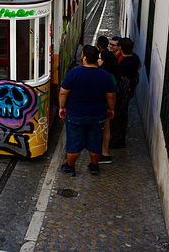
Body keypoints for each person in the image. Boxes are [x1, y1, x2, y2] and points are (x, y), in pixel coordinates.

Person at [58, 45, 116, 176]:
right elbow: (111, 96)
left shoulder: (74, 73)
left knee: (74, 141)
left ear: (84, 58)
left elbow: (63, 92)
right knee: (95, 141)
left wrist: (62, 107)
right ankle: (94, 166)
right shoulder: (106, 76)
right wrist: (111, 109)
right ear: (96, 59)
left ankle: (70, 167)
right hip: (98, 114)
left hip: (75, 115)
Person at [110, 37, 142, 149]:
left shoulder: (123, 63)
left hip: (122, 93)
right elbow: (139, 66)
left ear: (121, 48)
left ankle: (117, 140)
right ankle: (121, 137)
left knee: (117, 115)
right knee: (123, 114)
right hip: (129, 90)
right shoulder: (135, 57)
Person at [98, 51, 120, 164]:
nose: (98, 60)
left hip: (104, 107)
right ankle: (104, 153)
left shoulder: (107, 76)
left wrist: (111, 108)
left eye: (100, 59)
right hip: (107, 107)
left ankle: (104, 153)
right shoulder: (113, 75)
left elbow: (111, 95)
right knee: (106, 128)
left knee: (104, 129)